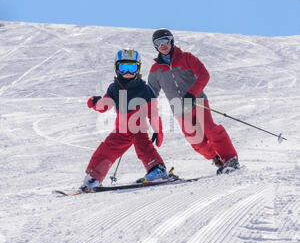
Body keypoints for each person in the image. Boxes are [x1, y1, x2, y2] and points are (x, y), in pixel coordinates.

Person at [148, 29, 240, 174]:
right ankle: (216, 159)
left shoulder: (186, 58)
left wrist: (192, 93)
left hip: (197, 101)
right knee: (195, 139)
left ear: (171, 41)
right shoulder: (155, 70)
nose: (163, 45)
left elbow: (204, 75)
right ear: (155, 47)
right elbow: (151, 92)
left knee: (209, 129)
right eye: (158, 43)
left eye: (165, 41)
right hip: (179, 109)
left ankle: (230, 159)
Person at [80, 49, 167, 193]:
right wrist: (96, 103)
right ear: (116, 68)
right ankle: (93, 178)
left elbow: (153, 112)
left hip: (138, 128)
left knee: (142, 145)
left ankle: (157, 169)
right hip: (121, 130)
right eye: (123, 67)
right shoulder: (114, 88)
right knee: (106, 150)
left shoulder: (145, 89)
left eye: (131, 68)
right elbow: (106, 105)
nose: (127, 72)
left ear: (138, 68)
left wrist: (157, 129)